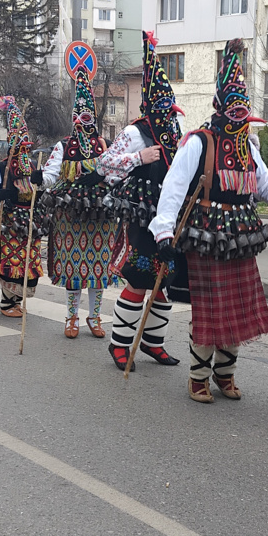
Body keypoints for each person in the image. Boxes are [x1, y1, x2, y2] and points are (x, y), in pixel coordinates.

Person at [148, 39, 268, 403]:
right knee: (211, 311)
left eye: (244, 108)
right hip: (207, 235)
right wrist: (164, 230)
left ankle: (225, 376)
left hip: (242, 235)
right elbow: (174, 187)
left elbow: (262, 182)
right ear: (220, 107)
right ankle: (199, 379)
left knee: (238, 312)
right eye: (234, 108)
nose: (240, 114)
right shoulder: (198, 142)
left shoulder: (249, 146)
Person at [97, 30, 184, 370]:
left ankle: (152, 342)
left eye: (170, 107)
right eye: (162, 107)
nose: (168, 114)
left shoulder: (177, 132)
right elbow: (104, 164)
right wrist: (138, 158)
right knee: (140, 277)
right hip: (140, 212)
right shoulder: (135, 132)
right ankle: (119, 345)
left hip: (169, 214)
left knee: (166, 280)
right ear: (150, 106)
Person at [42, 68, 118, 338]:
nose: (80, 123)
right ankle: (71, 317)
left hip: (101, 218)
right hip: (70, 215)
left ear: (93, 118)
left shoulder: (105, 144)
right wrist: (40, 178)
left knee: (98, 268)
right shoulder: (63, 146)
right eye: (76, 118)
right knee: (73, 270)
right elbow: (50, 174)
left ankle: (95, 317)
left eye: (85, 117)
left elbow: (115, 172)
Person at [0, 96, 44, 317]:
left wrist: (41, 182)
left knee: (28, 262)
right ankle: (7, 303)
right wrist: (0, 195)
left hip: (30, 223)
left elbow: (42, 192)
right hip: (9, 223)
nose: (24, 151)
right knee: (11, 261)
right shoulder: (1, 168)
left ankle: (17, 300)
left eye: (27, 147)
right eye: (20, 146)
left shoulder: (35, 166)